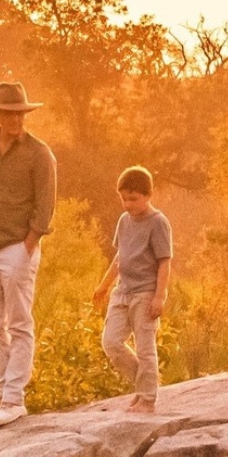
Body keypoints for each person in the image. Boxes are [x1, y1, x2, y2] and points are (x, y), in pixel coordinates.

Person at [0, 82, 56, 427]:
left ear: (25, 114)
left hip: (17, 248)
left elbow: (45, 203)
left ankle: (15, 399)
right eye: (8, 112)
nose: (15, 118)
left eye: (19, 113)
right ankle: (4, 393)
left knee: (19, 325)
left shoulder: (39, 153)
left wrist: (29, 244)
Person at [90, 166, 174, 414]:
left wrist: (159, 296)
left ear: (148, 195)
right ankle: (145, 382)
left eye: (133, 199)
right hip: (122, 291)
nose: (127, 204)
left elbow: (164, 262)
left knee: (145, 347)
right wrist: (103, 286)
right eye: (124, 198)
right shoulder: (124, 221)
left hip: (145, 293)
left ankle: (147, 398)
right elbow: (120, 256)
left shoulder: (158, 223)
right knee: (111, 342)